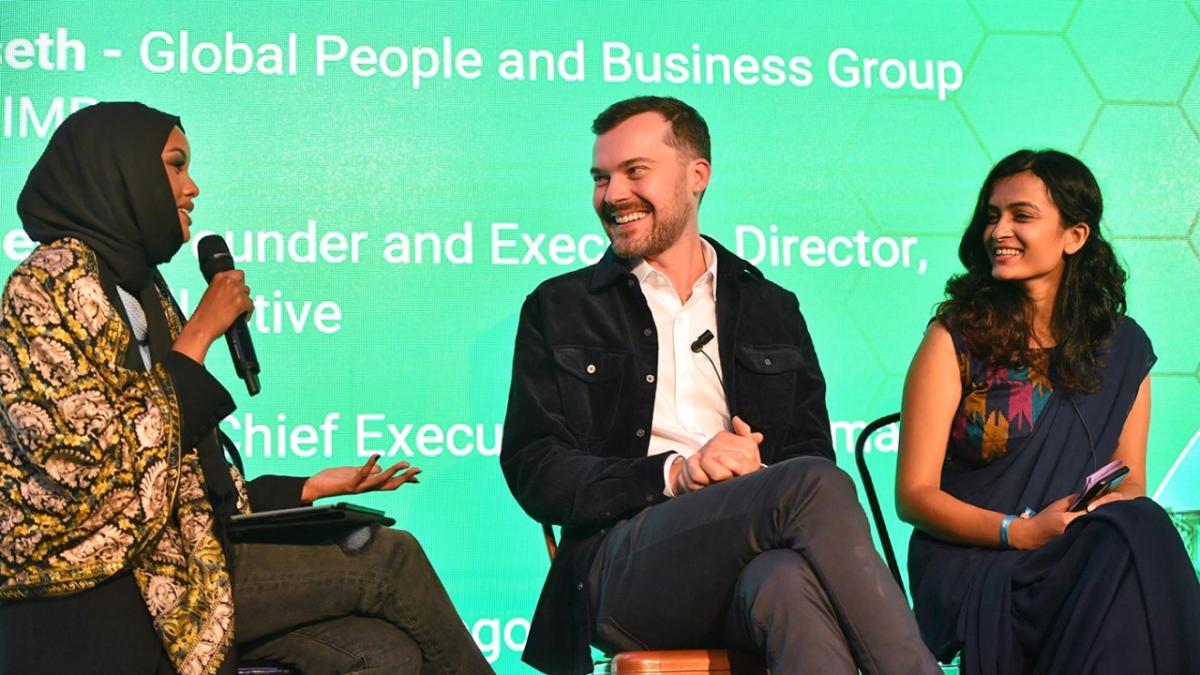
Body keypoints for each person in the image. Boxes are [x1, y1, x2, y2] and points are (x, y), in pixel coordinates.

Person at [0, 102, 493, 675]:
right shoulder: (48, 284)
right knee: (388, 560)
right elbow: (84, 465)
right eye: (176, 166)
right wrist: (201, 332)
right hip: (108, 570)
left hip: (182, 553)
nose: (192, 188)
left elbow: (173, 479)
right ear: (121, 173)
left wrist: (305, 488)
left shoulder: (138, 286)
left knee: (380, 653)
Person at [500, 96, 939, 675]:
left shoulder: (770, 308)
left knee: (784, 583)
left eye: (635, 172)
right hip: (620, 566)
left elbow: (808, 453)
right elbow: (535, 467)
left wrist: (755, 477)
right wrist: (673, 473)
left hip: (746, 563)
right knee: (811, 486)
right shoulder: (561, 308)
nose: (612, 196)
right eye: (601, 179)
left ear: (696, 176)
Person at [896, 149, 1200, 674]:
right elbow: (914, 496)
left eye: (1021, 216)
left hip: (1075, 553)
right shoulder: (953, 339)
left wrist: (1085, 518)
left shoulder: (1122, 348)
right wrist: (1019, 530)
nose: (999, 231)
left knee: (1135, 524)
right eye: (992, 216)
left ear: (1074, 237)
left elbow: (1129, 482)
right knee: (1124, 568)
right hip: (978, 565)